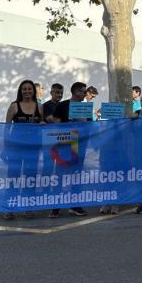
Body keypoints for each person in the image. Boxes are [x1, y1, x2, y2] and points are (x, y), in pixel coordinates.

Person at [3, 80, 44, 220]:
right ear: (20, 91)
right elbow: (6, 129)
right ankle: (10, 207)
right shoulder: (14, 106)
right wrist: (5, 148)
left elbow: (42, 126)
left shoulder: (39, 107)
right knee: (13, 178)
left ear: (34, 91)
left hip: (33, 149)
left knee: (30, 179)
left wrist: (43, 124)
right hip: (16, 148)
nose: (27, 91)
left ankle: (28, 207)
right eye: (24, 89)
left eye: (29, 89)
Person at [49, 82, 92, 217]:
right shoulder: (62, 105)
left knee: (76, 175)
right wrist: (68, 124)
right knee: (60, 175)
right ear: (75, 92)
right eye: (82, 91)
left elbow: (89, 123)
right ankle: (56, 206)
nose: (85, 93)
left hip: (80, 144)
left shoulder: (85, 107)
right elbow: (55, 123)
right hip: (65, 144)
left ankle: (75, 205)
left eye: (85, 91)